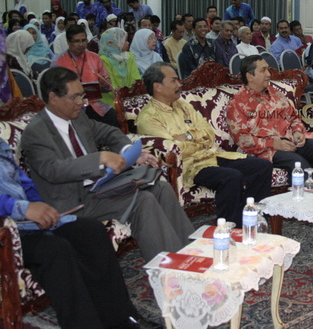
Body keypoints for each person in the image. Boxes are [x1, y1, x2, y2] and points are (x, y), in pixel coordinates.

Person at [21, 67, 194, 262]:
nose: (81, 103)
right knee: (143, 201)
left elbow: (108, 132)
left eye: (82, 96)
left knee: (160, 187)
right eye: (75, 97)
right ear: (53, 98)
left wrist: (128, 151)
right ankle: (169, 269)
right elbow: (52, 170)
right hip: (74, 201)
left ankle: (192, 253)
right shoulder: (36, 132)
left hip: (99, 187)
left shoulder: (78, 118)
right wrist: (99, 158)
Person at [0, 138, 141, 329]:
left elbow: (24, 183)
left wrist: (39, 206)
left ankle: (120, 321)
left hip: (26, 223)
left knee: (91, 232)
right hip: (6, 232)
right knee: (55, 249)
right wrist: (21, 208)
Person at [136, 62, 272, 225]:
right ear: (157, 86)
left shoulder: (182, 105)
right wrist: (197, 140)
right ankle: (229, 227)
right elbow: (174, 149)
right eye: (173, 81)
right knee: (230, 177)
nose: (179, 84)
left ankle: (252, 219)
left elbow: (208, 133)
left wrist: (188, 136)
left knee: (262, 167)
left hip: (212, 155)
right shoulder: (148, 118)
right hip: (189, 166)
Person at [227, 55, 313, 184]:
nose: (268, 74)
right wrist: (274, 144)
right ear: (250, 76)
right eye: (263, 70)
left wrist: (297, 131)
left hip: (290, 141)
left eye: (268, 69)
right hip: (265, 150)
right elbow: (242, 139)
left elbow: (294, 117)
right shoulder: (237, 103)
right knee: (297, 163)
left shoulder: (275, 93)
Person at [53, 25, 119, 127]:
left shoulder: (95, 58)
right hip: (70, 106)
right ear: (68, 42)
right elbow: (54, 90)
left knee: (114, 117)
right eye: (77, 41)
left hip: (93, 103)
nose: (81, 44)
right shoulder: (58, 62)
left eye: (84, 40)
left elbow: (108, 87)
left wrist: (104, 84)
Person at [98, 28, 141, 107]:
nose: (128, 43)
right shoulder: (104, 60)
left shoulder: (129, 56)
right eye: (125, 40)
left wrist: (131, 94)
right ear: (115, 42)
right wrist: (124, 98)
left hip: (130, 97)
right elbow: (111, 85)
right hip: (111, 101)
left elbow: (136, 77)